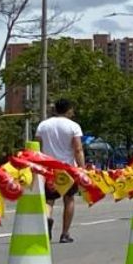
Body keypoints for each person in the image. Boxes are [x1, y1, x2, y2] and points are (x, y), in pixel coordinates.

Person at [36, 98, 85, 243]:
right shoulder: (73, 126)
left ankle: (48, 218)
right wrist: (82, 168)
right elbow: (78, 149)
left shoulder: (43, 125)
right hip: (67, 168)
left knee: (49, 200)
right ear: (68, 110)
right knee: (69, 199)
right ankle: (65, 233)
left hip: (48, 169)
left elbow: (36, 145)